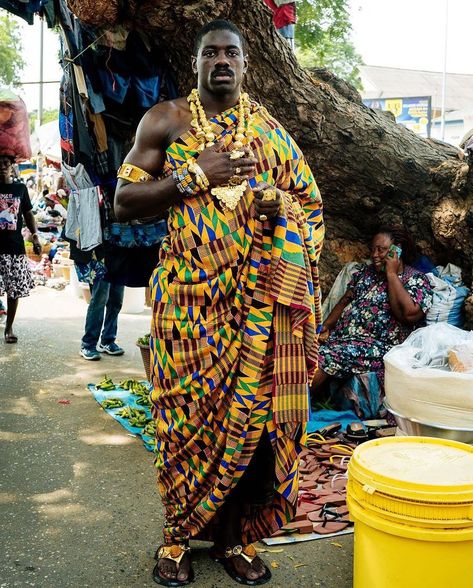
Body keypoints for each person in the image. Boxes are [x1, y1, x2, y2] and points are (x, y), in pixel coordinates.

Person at [114, 19, 324, 587]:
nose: (222, 61)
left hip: (254, 308)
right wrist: (193, 176)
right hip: (187, 306)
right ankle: (178, 537)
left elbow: (309, 204)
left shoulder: (271, 134)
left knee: (251, 430)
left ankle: (234, 538)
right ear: (198, 63)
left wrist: (278, 209)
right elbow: (124, 202)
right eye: (212, 53)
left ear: (247, 64)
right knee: (182, 421)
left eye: (232, 52)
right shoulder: (166, 121)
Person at [311, 225, 433, 411]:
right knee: (309, 350)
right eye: (373, 249)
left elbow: (410, 315)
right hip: (345, 340)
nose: (374, 254)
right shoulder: (365, 274)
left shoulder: (415, 280)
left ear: (396, 250)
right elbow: (345, 301)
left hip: (379, 346)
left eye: (381, 250)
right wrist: (324, 327)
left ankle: (295, 406)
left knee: (327, 357)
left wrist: (391, 274)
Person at [0, 155, 42, 343]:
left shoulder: (20, 189)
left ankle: (9, 328)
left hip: (14, 248)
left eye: (6, 163)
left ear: (12, 166)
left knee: (14, 290)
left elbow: (28, 214)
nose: (2, 167)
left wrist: (35, 237)